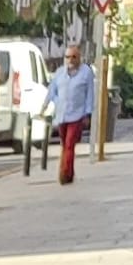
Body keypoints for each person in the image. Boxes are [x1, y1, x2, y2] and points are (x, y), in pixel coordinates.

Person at [43, 44, 98, 186]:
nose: (71, 60)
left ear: (79, 57)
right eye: (68, 57)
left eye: (74, 56)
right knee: (65, 146)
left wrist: (87, 113)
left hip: (77, 115)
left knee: (69, 144)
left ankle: (64, 173)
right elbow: (52, 91)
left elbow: (90, 95)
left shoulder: (86, 72)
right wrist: (50, 103)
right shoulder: (60, 73)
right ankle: (70, 173)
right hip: (62, 115)